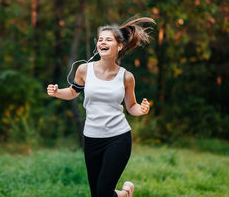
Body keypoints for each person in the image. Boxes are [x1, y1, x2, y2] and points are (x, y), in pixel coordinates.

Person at [47, 17, 155, 197]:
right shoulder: (84, 70)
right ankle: (125, 194)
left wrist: (141, 109)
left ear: (119, 46)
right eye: (100, 39)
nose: (102, 42)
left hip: (118, 137)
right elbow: (73, 92)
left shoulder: (126, 77)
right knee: (97, 194)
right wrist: (57, 92)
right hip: (91, 138)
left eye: (108, 39)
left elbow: (131, 106)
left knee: (103, 192)